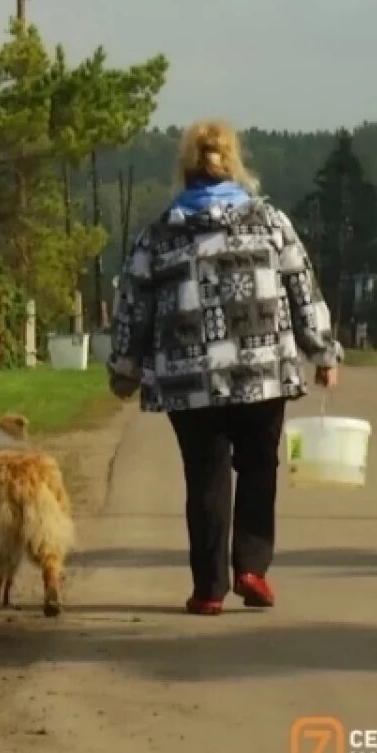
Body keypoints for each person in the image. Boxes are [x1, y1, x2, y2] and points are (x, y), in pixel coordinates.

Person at [105, 119, 343, 615]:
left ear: (186, 169)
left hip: (190, 379)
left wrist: (125, 367)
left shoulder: (160, 233)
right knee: (258, 467)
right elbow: (302, 287)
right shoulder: (270, 222)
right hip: (262, 373)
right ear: (234, 165)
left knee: (206, 476)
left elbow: (133, 305)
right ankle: (252, 568)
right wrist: (322, 352)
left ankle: (209, 589)